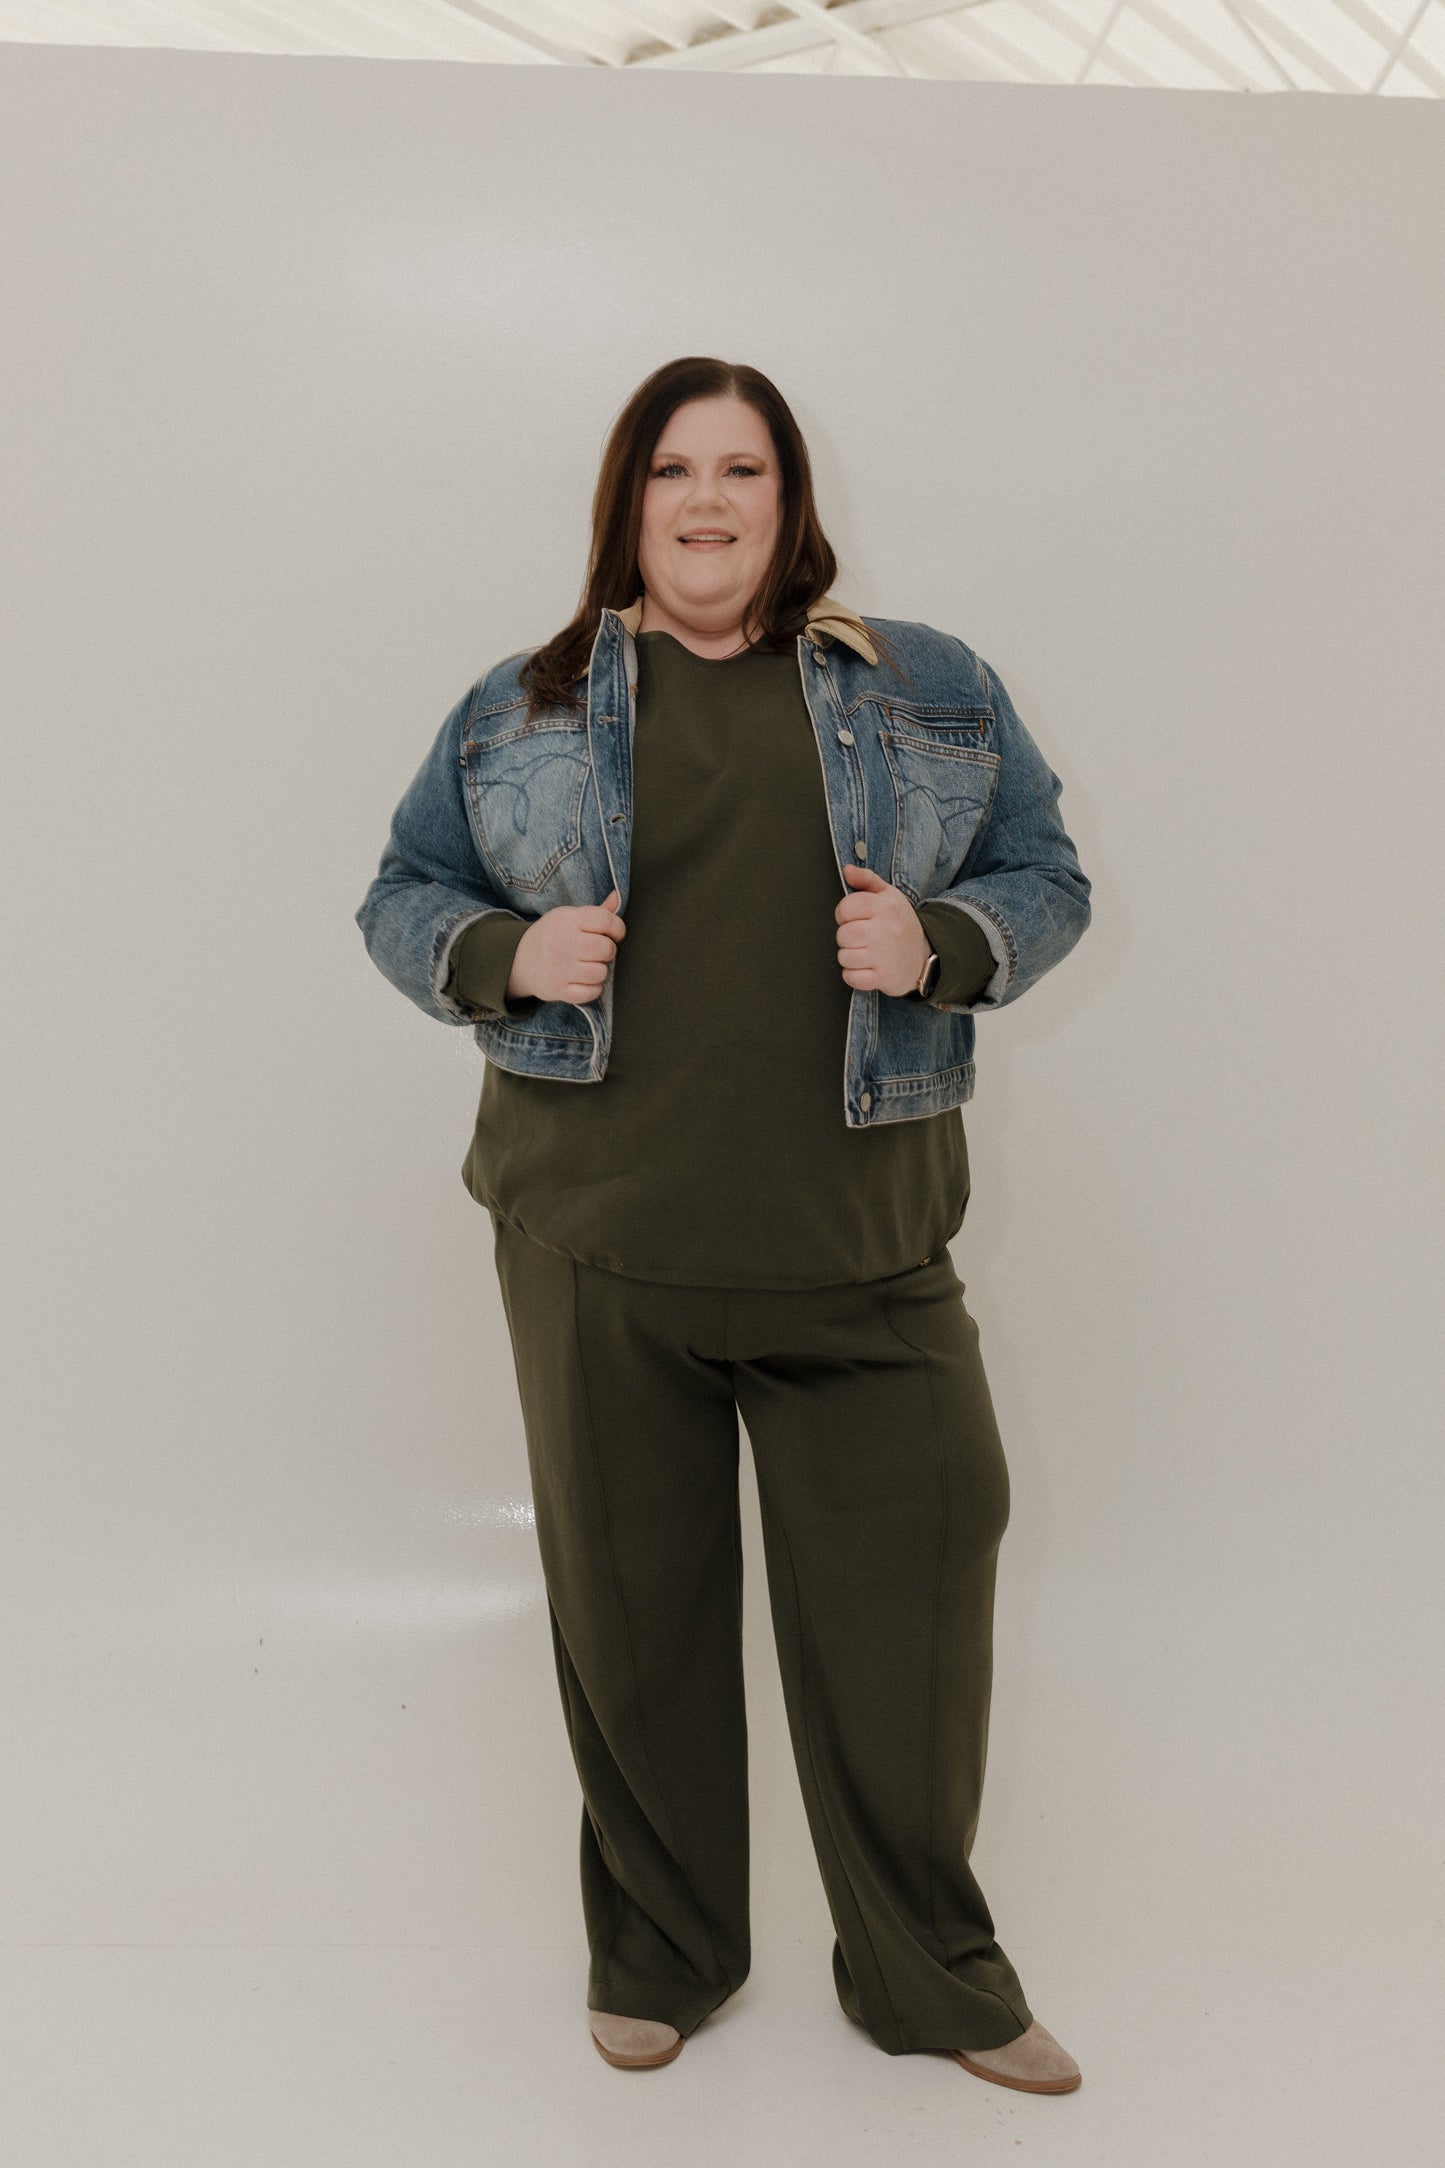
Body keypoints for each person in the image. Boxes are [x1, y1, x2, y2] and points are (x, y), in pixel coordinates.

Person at [355, 356, 1092, 2094]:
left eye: (741, 469)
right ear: (626, 502)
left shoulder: (926, 684)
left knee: (913, 1619)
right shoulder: (518, 703)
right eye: (671, 468)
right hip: (594, 1246)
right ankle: (664, 1954)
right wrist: (497, 957)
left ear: (789, 497)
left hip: (864, 1258)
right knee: (633, 1625)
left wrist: (943, 944)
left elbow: (1045, 873)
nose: (706, 501)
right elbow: (404, 889)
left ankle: (928, 1977)